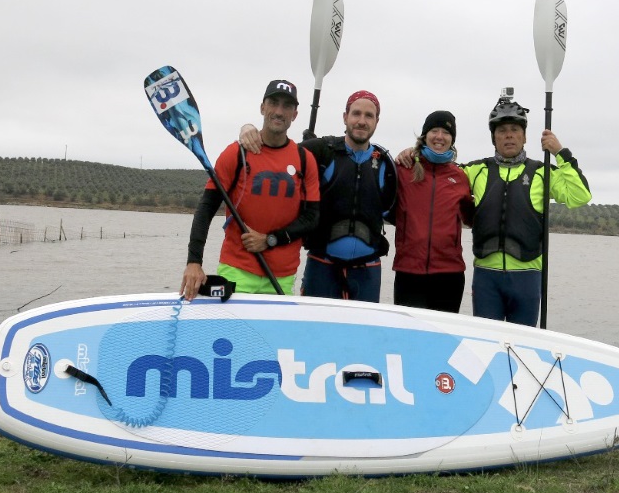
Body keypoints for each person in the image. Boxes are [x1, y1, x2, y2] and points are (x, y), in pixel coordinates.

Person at [240, 90, 397, 302]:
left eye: (369, 116)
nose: (361, 121)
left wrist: (412, 154)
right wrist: (248, 129)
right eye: (356, 114)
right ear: (345, 117)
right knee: (314, 334)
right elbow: (276, 149)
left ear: (377, 121)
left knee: (362, 336)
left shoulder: (386, 165)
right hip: (322, 267)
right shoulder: (321, 150)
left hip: (367, 272)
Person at [180, 79, 320, 299]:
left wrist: (270, 239)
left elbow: (312, 218)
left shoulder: (305, 160)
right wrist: (194, 262)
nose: (278, 111)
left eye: (287, 106)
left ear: (295, 114)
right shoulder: (235, 154)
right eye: (273, 103)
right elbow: (206, 209)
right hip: (237, 270)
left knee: (271, 335)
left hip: (282, 276)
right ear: (262, 107)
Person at [461, 93, 591, 326]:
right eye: (501, 130)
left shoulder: (542, 172)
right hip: (486, 278)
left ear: (524, 136)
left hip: (527, 278)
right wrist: (414, 155)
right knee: (487, 345)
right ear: (494, 138)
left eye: (514, 129)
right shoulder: (476, 170)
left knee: (522, 349)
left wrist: (560, 153)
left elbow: (579, 195)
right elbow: (441, 177)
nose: (508, 135)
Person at [389, 110, 474, 313]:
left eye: (446, 132)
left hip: (449, 275)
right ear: (424, 136)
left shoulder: (460, 177)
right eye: (434, 130)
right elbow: (387, 209)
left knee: (444, 342)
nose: (439, 137)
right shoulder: (403, 168)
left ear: (452, 139)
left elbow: (471, 218)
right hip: (408, 271)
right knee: (409, 340)